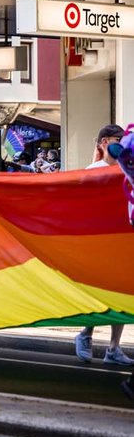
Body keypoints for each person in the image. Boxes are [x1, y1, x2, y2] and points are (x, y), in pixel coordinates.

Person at [74, 124, 132, 366]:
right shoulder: (93, 171)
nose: (121, 144)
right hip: (98, 241)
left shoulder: (127, 168)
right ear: (104, 142)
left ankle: (113, 348)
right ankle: (86, 334)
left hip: (123, 240)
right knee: (97, 294)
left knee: (121, 293)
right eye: (117, 139)